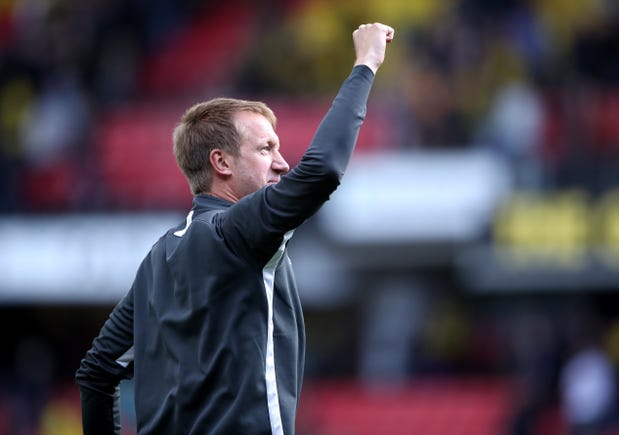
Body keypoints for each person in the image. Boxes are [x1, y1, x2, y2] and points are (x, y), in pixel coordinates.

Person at [76, 22, 394, 434]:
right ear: (221, 163)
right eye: (266, 149)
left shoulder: (158, 259)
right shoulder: (236, 233)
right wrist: (365, 64)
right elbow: (321, 172)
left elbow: (98, 371)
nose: (282, 162)